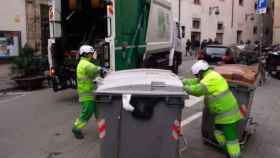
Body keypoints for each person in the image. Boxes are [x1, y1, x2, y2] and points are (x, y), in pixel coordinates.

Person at [182, 60, 242, 158]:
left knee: (231, 139)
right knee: (218, 133)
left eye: (197, 75)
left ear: (200, 72)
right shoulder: (209, 75)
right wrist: (183, 81)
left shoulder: (210, 79)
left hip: (228, 114)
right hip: (222, 113)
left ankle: (235, 156)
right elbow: (196, 81)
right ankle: (227, 151)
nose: (197, 77)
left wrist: (184, 88)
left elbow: (197, 90)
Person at [72, 45, 102, 139]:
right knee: (87, 113)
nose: (92, 55)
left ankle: (104, 129)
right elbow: (94, 70)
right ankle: (76, 128)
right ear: (86, 54)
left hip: (91, 93)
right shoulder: (85, 64)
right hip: (87, 95)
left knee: (99, 112)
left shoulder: (85, 63)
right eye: (91, 53)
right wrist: (101, 69)